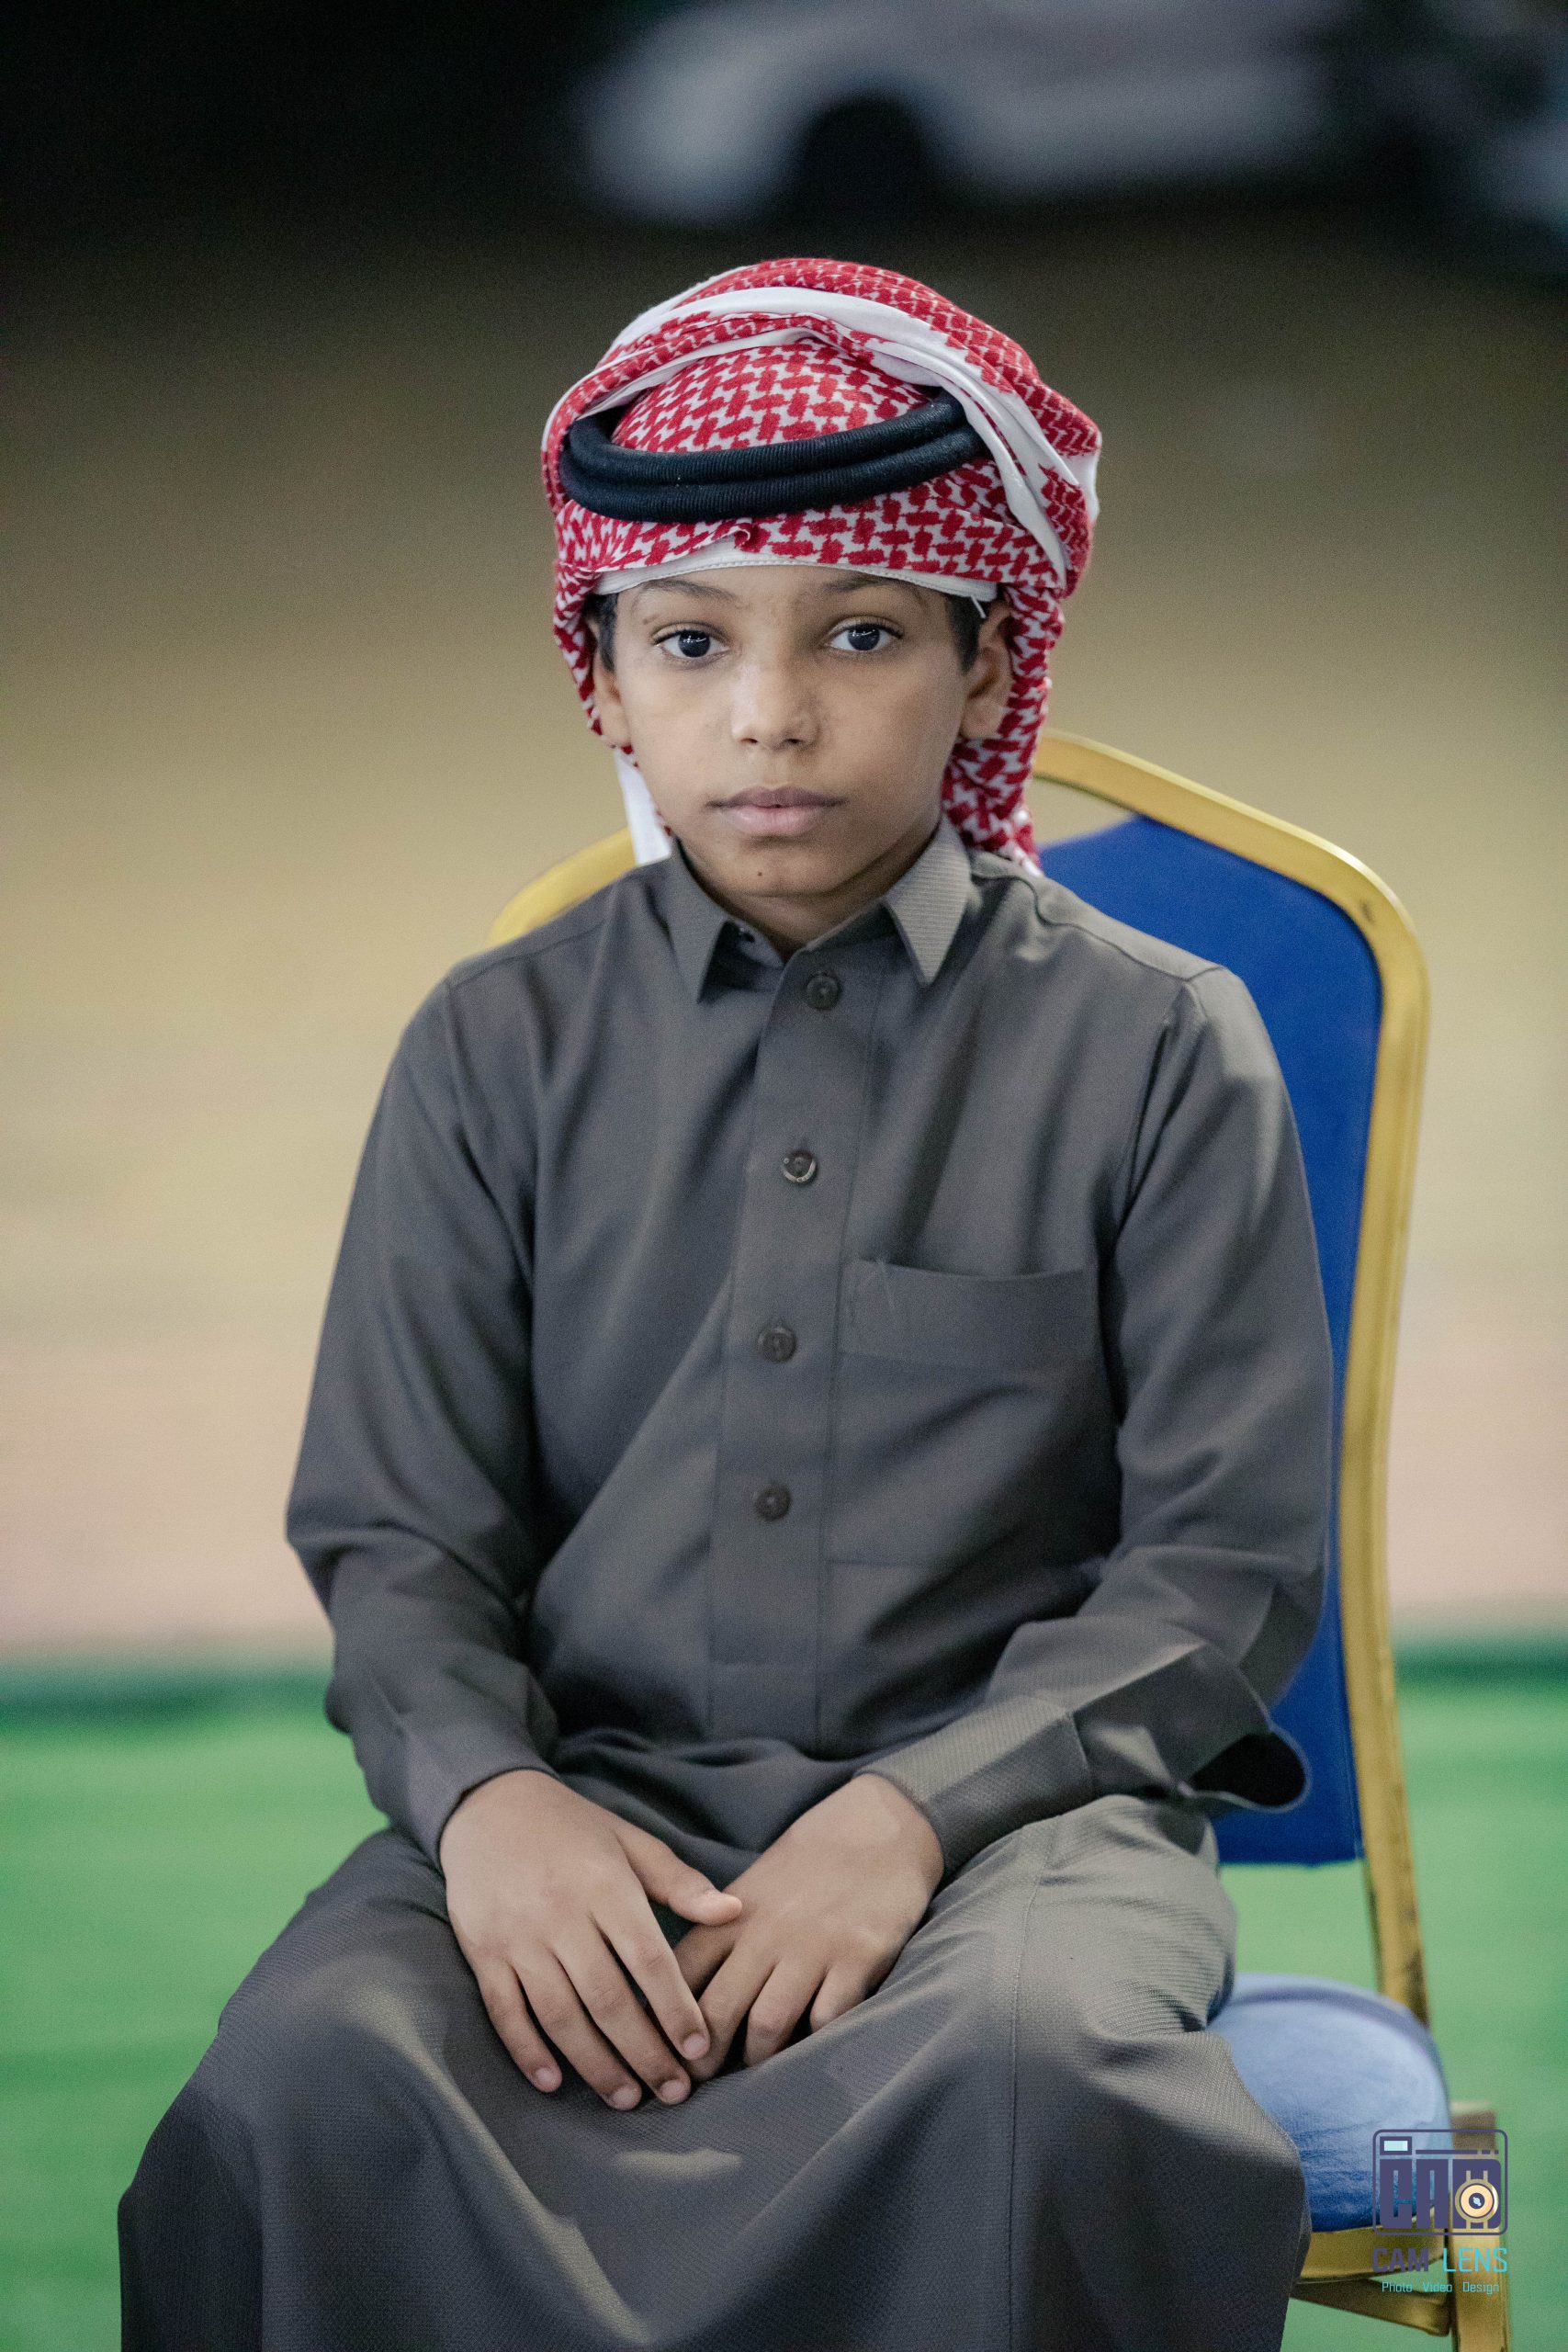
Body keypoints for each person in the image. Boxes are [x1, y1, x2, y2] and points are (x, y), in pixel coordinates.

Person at [120, 258, 1333, 2352]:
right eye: (691, 641)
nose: (770, 714)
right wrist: (493, 1804)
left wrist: (908, 1818)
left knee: (1038, 2089)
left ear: (986, 662)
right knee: (301, 2084)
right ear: (602, 681)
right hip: (580, 1805)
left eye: (860, 634)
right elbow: (401, 1536)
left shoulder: (1157, 1043)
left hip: (1019, 1843)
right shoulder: (492, 1047)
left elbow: (1217, 1568)